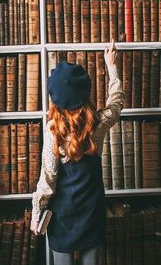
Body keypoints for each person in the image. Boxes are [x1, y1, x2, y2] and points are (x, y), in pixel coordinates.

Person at [30, 40, 125, 265]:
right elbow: (117, 103)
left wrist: (36, 214)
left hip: (63, 216)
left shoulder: (53, 130)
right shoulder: (98, 124)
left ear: (56, 99)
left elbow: (48, 179)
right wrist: (111, 65)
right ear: (85, 94)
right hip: (92, 210)